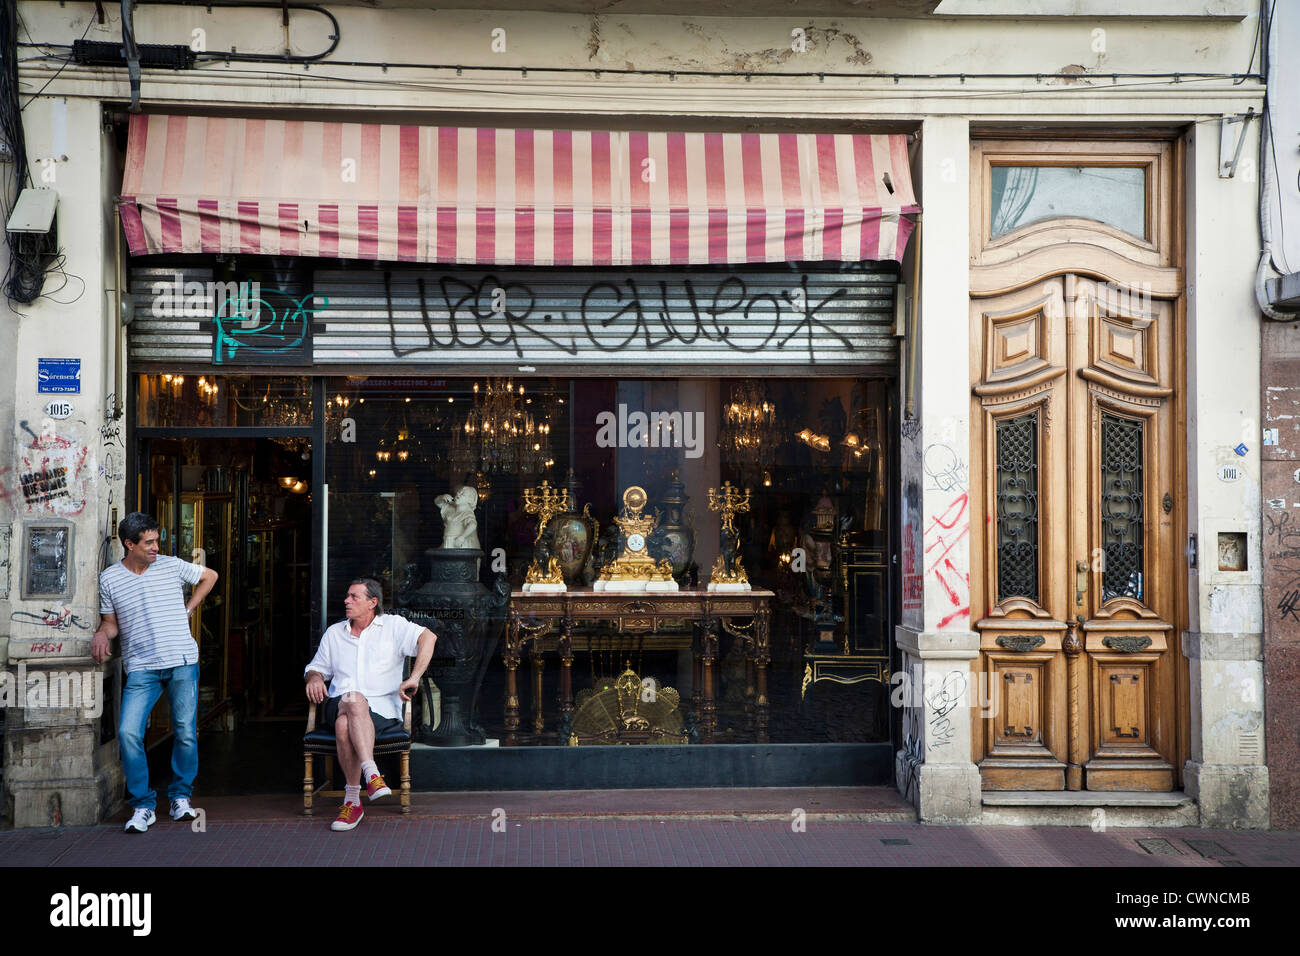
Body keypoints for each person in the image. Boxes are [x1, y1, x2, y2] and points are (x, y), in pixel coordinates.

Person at [91, 512, 219, 834]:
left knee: (185, 731)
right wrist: (101, 635)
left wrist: (188, 609)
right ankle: (143, 805)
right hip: (141, 667)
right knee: (128, 733)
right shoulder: (110, 579)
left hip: (181, 660)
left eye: (156, 541)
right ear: (129, 544)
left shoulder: (171, 565)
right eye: (148, 543)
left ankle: (180, 798)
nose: (155, 548)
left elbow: (211, 576)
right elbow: (110, 623)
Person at [304, 579, 436, 831]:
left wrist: (414, 677)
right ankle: (372, 774)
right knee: (352, 699)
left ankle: (352, 802)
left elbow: (429, 638)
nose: (346, 601)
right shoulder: (335, 633)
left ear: (372, 603)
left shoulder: (393, 626)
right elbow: (315, 669)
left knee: (345, 725)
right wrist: (314, 678)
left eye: (354, 597)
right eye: (347, 596)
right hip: (338, 704)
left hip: (381, 712)